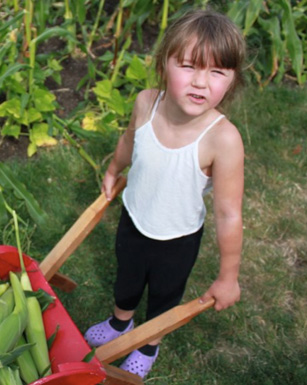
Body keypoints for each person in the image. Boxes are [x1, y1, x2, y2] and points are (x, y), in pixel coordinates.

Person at [83, 9, 246, 379]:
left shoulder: (223, 139)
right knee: (126, 278)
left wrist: (228, 276)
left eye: (217, 72)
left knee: (163, 297)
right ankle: (121, 322)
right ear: (164, 63)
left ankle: (148, 344)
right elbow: (129, 141)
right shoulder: (146, 103)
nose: (201, 83)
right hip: (134, 218)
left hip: (177, 238)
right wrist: (112, 169)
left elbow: (228, 214)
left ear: (232, 80)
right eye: (189, 66)